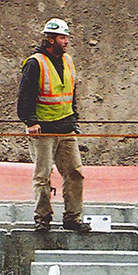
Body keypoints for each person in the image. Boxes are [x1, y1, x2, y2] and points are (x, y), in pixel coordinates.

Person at [18, 17, 91, 233]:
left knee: (75, 173)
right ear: (50, 39)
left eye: (66, 36)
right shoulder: (35, 63)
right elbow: (25, 96)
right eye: (62, 37)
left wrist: (74, 118)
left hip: (66, 128)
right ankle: (42, 219)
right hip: (43, 131)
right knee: (42, 176)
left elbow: (71, 93)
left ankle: (72, 218)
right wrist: (30, 121)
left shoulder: (68, 61)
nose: (66, 41)